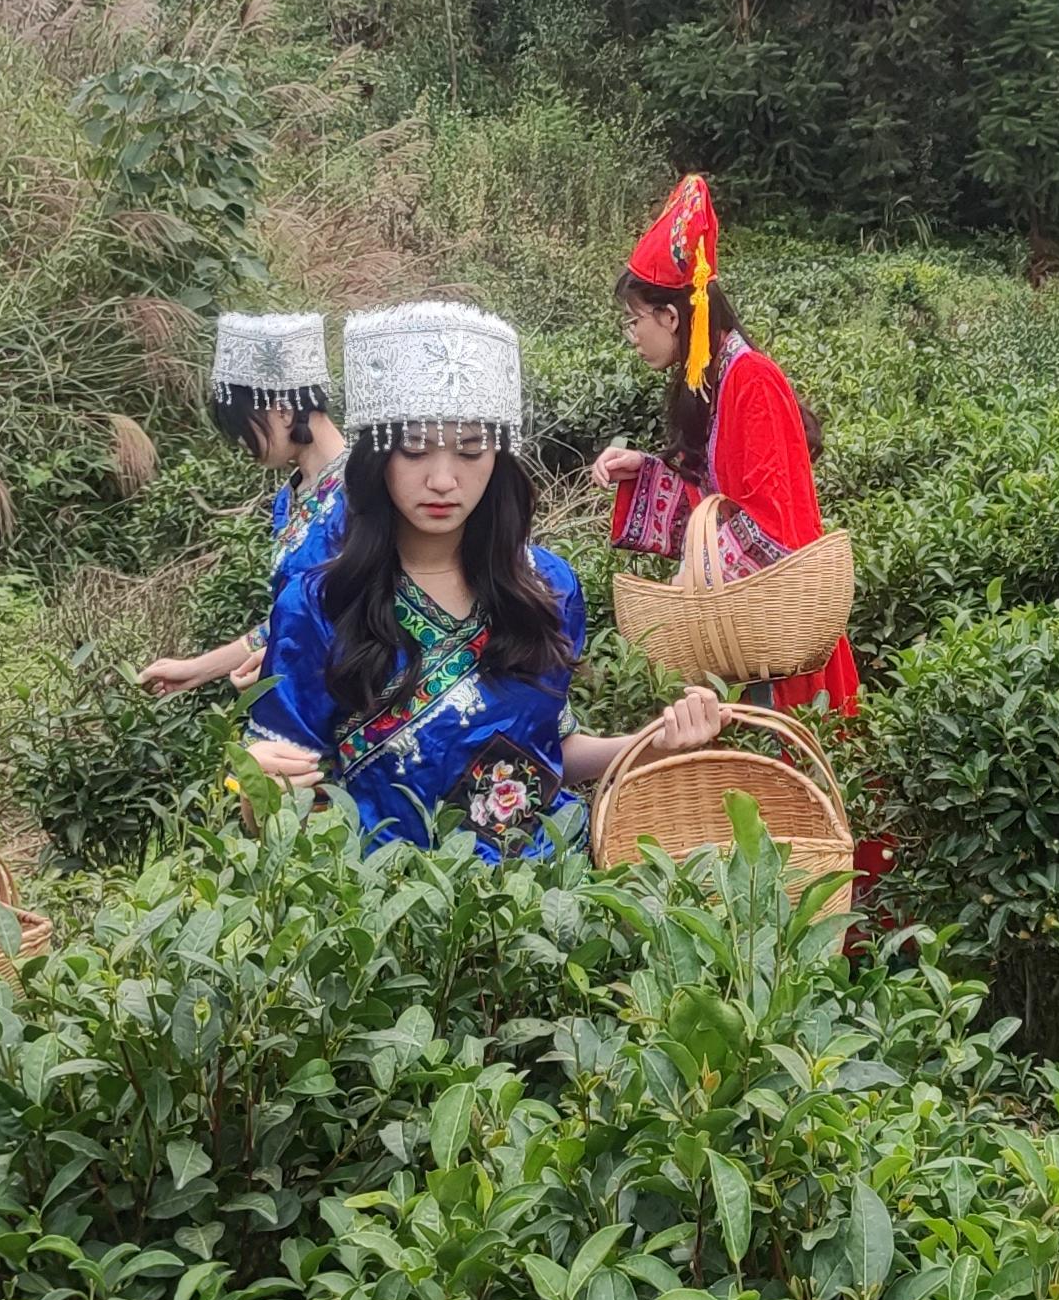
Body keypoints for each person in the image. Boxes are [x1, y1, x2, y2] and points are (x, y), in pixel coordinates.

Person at [250, 301, 730, 856]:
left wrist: (655, 744)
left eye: (471, 449)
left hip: (553, 892)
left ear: (499, 456)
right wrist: (257, 791)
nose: (443, 479)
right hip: (398, 901)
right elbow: (283, 810)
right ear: (378, 456)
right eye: (414, 449)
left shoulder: (546, 586)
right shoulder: (320, 604)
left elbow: (551, 751)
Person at [591, 173, 863, 717]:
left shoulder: (750, 380)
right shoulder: (714, 380)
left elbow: (774, 524)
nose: (632, 335)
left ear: (671, 316)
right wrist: (644, 470)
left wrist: (692, 580)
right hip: (747, 641)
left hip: (779, 639)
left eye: (634, 320)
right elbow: (718, 498)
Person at [140, 311, 346, 696]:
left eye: (242, 426)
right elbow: (288, 619)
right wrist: (197, 670)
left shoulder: (364, 490)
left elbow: (378, 612)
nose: (239, 442)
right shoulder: (289, 498)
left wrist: (291, 659)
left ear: (283, 411)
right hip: (299, 702)